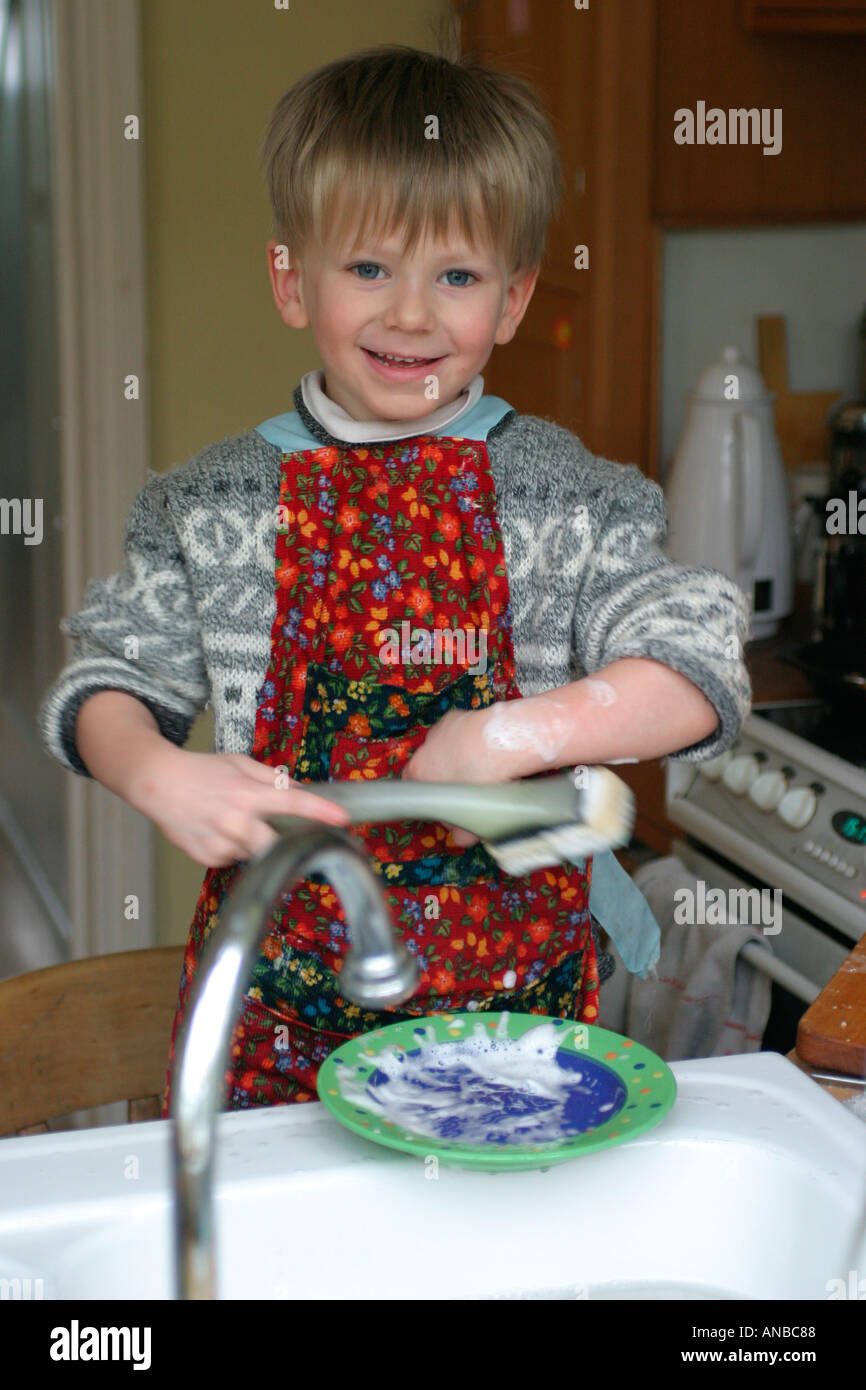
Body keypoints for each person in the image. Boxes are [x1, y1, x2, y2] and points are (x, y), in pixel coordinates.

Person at [38, 44, 751, 1115]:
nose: (411, 316)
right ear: (291, 279)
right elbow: (106, 678)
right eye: (368, 269)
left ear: (512, 299)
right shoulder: (216, 503)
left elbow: (694, 662)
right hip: (278, 1025)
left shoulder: (566, 497)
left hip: (514, 1026)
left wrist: (517, 732)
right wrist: (154, 773)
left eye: (455, 276)